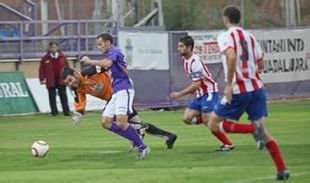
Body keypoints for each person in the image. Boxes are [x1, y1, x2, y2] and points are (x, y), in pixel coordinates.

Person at [208, 6, 289, 180]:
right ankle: (282, 169)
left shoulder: (225, 36)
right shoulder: (250, 37)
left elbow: (231, 56)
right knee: (264, 132)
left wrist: (229, 84)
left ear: (226, 19)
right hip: (257, 89)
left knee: (213, 122)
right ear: (239, 19)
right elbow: (261, 64)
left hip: (238, 89)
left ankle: (253, 130)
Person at [62, 66, 177, 150]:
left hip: (120, 90)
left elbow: (107, 65)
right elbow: (80, 103)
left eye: (70, 80)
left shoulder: (91, 71)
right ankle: (168, 136)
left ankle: (138, 132)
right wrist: (78, 114)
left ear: (76, 74)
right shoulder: (77, 89)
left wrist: (119, 77)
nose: (70, 84)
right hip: (113, 98)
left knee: (109, 120)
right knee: (134, 120)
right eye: (67, 83)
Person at [79, 33, 149, 159]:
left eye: (100, 44)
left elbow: (107, 64)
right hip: (116, 91)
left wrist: (89, 61)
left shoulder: (115, 52)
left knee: (122, 123)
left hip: (124, 89)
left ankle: (141, 146)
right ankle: (136, 131)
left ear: (107, 42)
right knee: (105, 122)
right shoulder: (110, 54)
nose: (99, 47)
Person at [170, 36, 235, 152]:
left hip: (210, 92)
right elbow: (196, 82)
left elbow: (197, 84)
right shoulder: (185, 59)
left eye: (181, 46)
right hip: (201, 94)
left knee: (208, 120)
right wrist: (193, 91)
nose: (178, 49)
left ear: (189, 48)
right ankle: (211, 118)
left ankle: (227, 143)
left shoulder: (195, 62)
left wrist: (179, 94)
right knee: (186, 118)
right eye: (178, 46)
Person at [39, 41, 70, 116]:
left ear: (57, 48)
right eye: (51, 47)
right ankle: (54, 112)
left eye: (54, 47)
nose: (53, 49)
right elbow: (41, 69)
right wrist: (42, 78)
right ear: (49, 48)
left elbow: (67, 68)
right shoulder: (45, 58)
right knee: (52, 96)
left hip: (61, 79)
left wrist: (67, 77)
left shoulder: (62, 57)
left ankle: (66, 111)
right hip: (51, 80)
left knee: (63, 96)